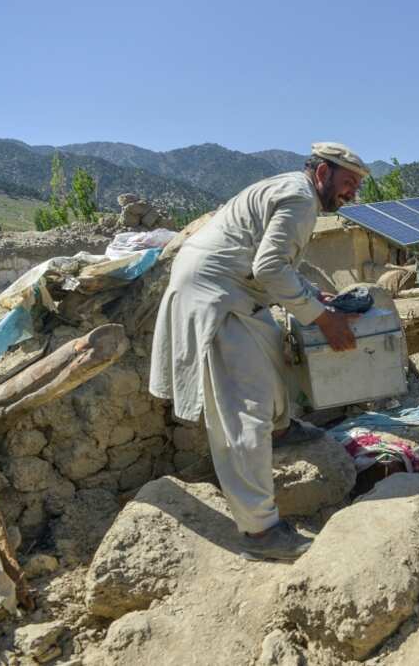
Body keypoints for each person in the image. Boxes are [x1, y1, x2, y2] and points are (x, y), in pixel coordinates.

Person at [149, 142, 368, 560]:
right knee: (242, 410)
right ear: (322, 173)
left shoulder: (294, 191)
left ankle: (281, 428)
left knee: (271, 350)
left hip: (238, 290)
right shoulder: (301, 199)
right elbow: (269, 268)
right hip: (217, 296)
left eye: (355, 187)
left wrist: (308, 294)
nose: (350, 195)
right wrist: (324, 319)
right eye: (346, 184)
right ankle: (261, 531)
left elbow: (271, 260)